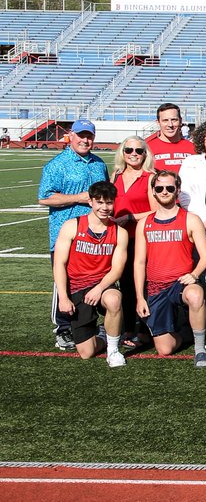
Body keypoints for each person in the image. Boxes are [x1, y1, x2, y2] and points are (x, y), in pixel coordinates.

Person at [38, 118, 108, 349]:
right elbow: (44, 197)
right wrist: (77, 198)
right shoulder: (57, 164)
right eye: (81, 135)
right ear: (71, 136)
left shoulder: (98, 164)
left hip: (95, 234)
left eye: (89, 136)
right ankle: (63, 328)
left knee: (94, 278)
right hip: (64, 232)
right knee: (64, 281)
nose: (85, 140)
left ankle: (91, 324)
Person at [134, 170, 206, 364]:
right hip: (156, 287)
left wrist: (194, 275)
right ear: (153, 191)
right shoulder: (144, 223)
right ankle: (185, 330)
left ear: (177, 190)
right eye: (159, 188)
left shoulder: (190, 219)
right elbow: (139, 262)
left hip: (181, 283)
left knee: (195, 294)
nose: (165, 191)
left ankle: (200, 349)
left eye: (170, 188)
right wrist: (140, 297)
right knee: (165, 349)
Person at [51, 181, 127, 366]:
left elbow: (117, 269)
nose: (104, 207)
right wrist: (63, 297)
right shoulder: (72, 226)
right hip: (77, 287)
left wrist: (99, 288)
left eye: (109, 203)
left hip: (103, 284)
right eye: (99, 202)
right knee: (87, 353)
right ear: (91, 202)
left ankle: (113, 350)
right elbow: (59, 264)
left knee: (114, 299)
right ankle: (104, 332)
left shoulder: (119, 232)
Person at [112, 135, 155, 349]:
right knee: (124, 284)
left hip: (140, 237)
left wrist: (131, 217)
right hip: (118, 238)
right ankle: (127, 327)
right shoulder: (115, 176)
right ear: (123, 153)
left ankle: (145, 329)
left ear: (145, 154)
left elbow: (157, 210)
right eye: (129, 150)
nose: (134, 154)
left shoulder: (150, 177)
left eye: (139, 150)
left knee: (142, 283)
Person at [146, 103, 196, 172]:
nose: (170, 124)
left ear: (180, 121)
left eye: (174, 120)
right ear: (158, 122)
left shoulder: (193, 148)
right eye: (165, 120)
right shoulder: (147, 148)